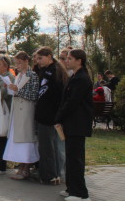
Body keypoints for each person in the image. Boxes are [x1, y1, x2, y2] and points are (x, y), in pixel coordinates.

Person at [56, 49, 93, 201]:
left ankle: (80, 193)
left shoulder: (82, 79)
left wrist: (59, 116)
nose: (67, 61)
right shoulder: (75, 77)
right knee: (71, 157)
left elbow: (72, 102)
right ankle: (71, 188)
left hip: (77, 123)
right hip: (71, 123)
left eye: (70, 58)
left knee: (76, 159)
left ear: (79, 61)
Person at [34, 46, 68, 185]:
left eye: (40, 58)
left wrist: (56, 115)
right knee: (46, 146)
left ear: (49, 56)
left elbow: (57, 95)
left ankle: (50, 175)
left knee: (48, 147)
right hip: (43, 114)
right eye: (36, 59)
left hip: (50, 116)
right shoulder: (44, 71)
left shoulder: (55, 71)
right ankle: (51, 173)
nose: (38, 61)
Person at [4, 51, 40, 180]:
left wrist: (17, 91)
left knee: (26, 139)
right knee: (17, 138)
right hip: (17, 111)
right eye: (16, 63)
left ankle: (26, 168)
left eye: (19, 62)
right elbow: (16, 91)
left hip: (26, 111)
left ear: (26, 61)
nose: (17, 65)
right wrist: (11, 89)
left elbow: (33, 94)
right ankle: (21, 166)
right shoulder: (19, 75)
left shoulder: (32, 75)